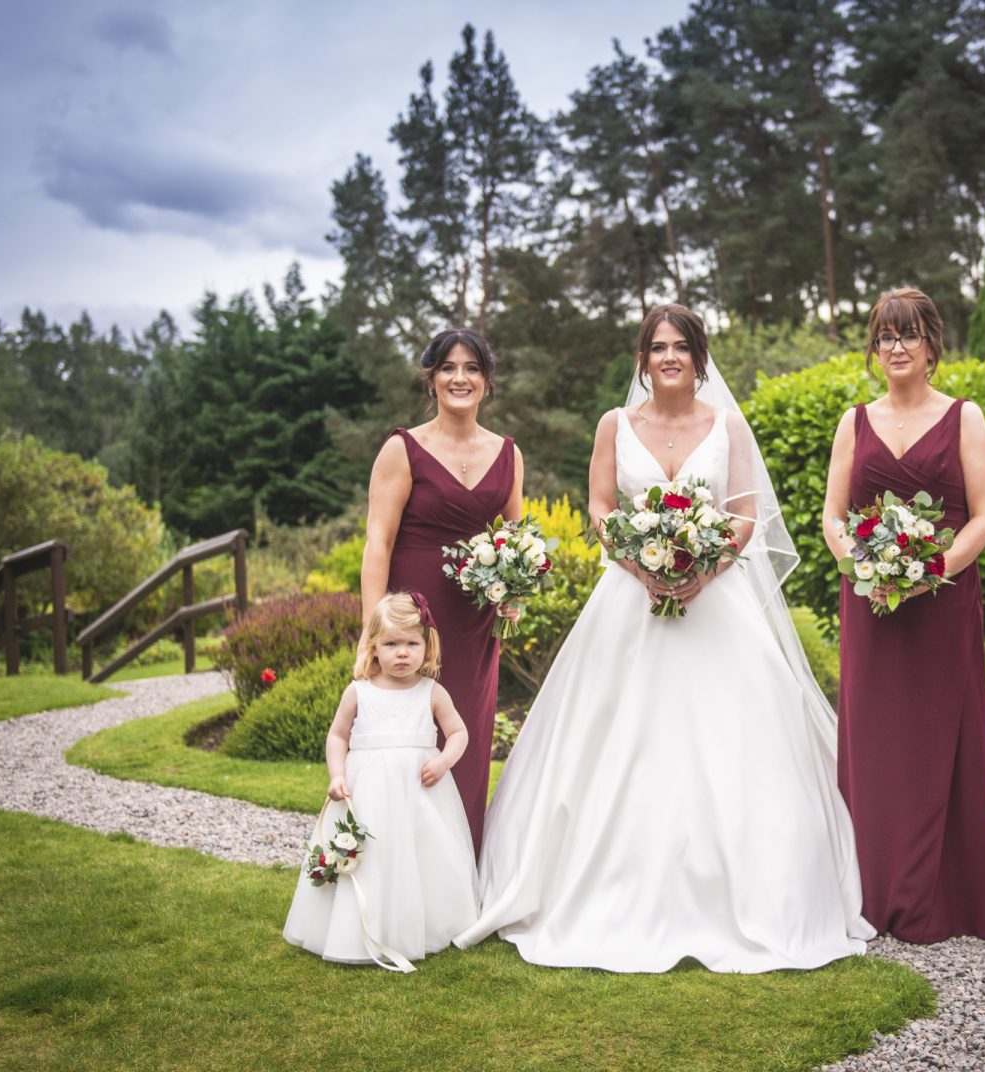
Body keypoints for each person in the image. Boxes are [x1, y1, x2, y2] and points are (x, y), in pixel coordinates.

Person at [455, 304, 874, 972]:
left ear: (699, 357)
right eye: (658, 347)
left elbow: (743, 513)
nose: (669, 357)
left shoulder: (726, 424)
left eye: (681, 346)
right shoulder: (614, 425)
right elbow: (600, 507)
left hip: (717, 601)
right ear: (642, 359)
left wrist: (702, 570)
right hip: (629, 599)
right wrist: (640, 563)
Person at [822, 286, 985, 943]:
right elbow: (832, 516)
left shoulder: (963, 417)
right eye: (885, 336)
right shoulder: (854, 422)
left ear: (933, 344)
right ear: (873, 348)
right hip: (873, 612)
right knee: (874, 745)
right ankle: (871, 891)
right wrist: (860, 564)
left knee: (941, 740)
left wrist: (933, 569)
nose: (896, 347)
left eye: (908, 334)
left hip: (942, 606)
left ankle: (943, 895)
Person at [361, 328, 523, 855]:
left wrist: (514, 590)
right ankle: (400, 867)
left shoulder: (508, 454)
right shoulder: (402, 448)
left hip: (475, 626)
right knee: (408, 740)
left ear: (487, 381)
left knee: (466, 740)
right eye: (448, 368)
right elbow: (377, 543)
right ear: (430, 379)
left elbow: (514, 540)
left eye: (472, 368)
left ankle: (462, 870)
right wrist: (374, 635)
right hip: (412, 622)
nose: (460, 377)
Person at [283, 593, 478, 970]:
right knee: (371, 857)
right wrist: (337, 774)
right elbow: (338, 735)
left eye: (411, 643)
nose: (401, 653)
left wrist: (442, 761)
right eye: (391, 644)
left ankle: (421, 927)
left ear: (427, 646)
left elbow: (458, 733)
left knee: (419, 856)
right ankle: (354, 929)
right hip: (367, 791)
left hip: (418, 795)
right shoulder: (359, 691)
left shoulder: (432, 692)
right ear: (373, 648)